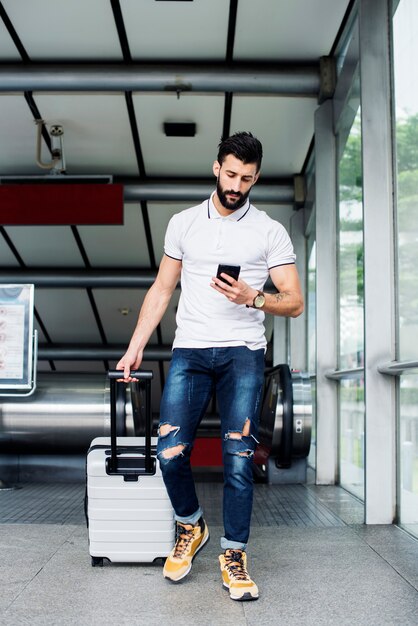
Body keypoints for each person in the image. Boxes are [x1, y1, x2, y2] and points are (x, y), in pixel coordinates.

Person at [117, 131, 303, 601]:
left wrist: (254, 296)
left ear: (256, 178)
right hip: (191, 352)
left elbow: (295, 301)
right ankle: (190, 525)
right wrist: (136, 344)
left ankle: (234, 553)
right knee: (169, 452)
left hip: (243, 353)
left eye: (247, 178)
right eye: (231, 173)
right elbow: (162, 289)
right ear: (216, 168)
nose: (237, 184)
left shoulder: (268, 231)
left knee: (239, 459)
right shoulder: (183, 224)